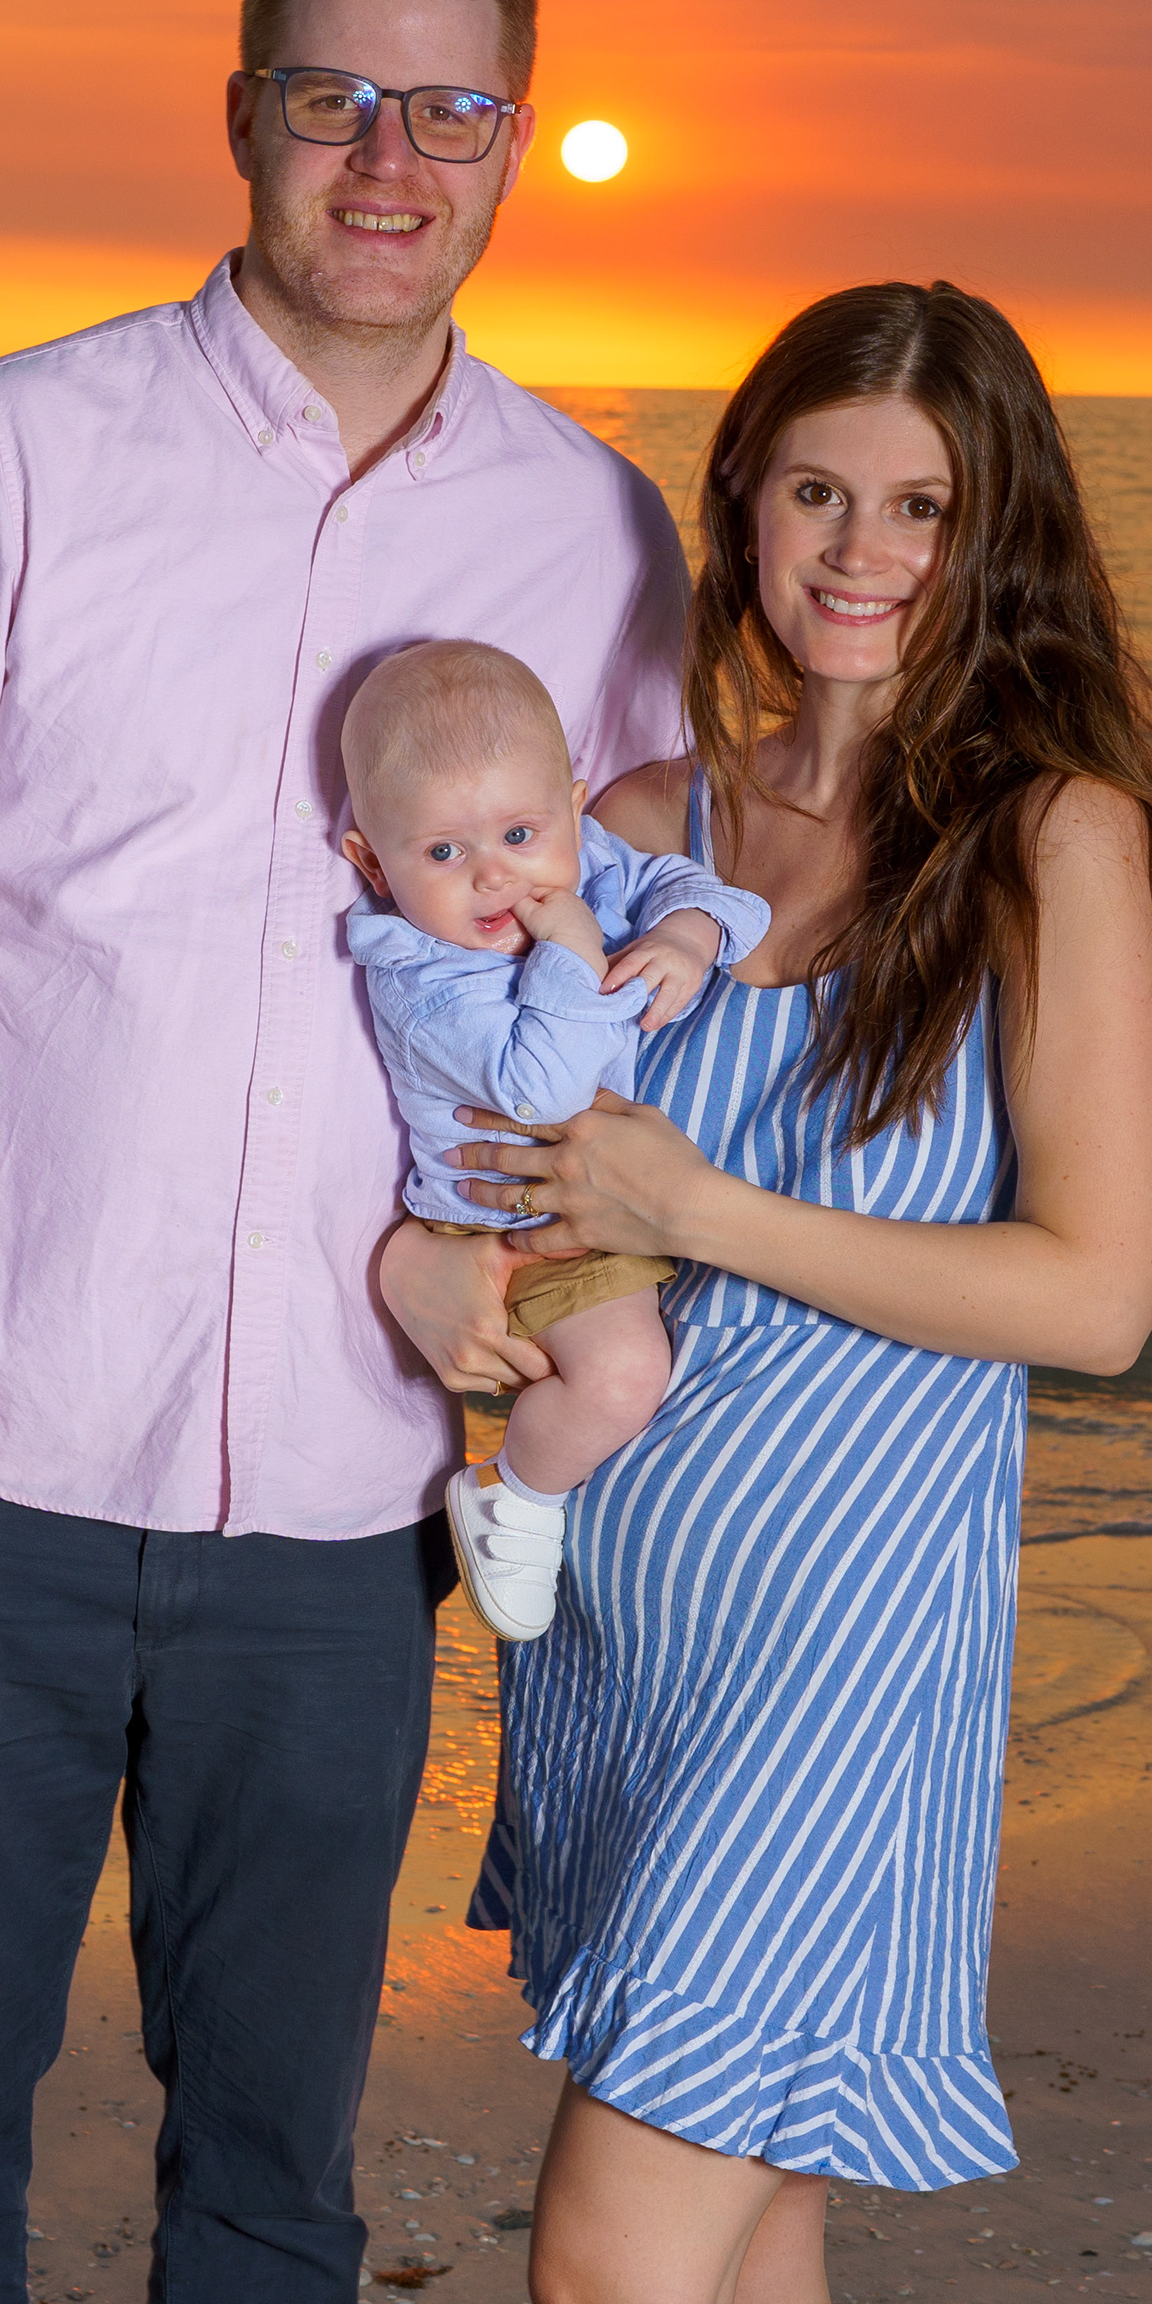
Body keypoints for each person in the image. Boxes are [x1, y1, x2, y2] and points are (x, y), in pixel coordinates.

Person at [0, 0, 686, 2304]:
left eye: (450, 104)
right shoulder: (15, 447)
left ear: (510, 145)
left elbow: (647, 939)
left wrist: (566, 1297)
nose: (390, 155)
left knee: (273, 2169)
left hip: (350, 1495)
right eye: (329, 95)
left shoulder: (591, 532)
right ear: (238, 115)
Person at [402, 280, 1152, 2304]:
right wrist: (429, 1269)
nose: (862, 553)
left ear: (996, 533)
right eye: (819, 493)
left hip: (842, 1669)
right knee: (758, 2249)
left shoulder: (1050, 839)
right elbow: (466, 1130)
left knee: (606, 2265)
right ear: (745, 509)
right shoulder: (644, 828)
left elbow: (1102, 1291)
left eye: (923, 506)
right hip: (622, 1645)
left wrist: (706, 1203)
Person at [335, 638, 772, 1640]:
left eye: (522, 833)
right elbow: (543, 1083)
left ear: (576, 809)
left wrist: (685, 934)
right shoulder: (422, 971)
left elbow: (724, 898)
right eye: (443, 853)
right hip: (514, 1227)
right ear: (372, 859)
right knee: (623, 1376)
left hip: (592, 1200)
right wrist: (579, 944)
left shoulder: (584, 862)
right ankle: (514, 1495)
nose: (496, 879)